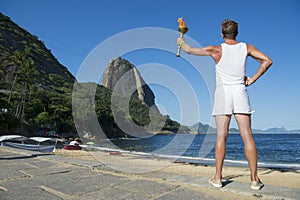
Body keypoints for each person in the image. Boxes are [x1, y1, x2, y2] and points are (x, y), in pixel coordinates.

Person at [177, 19, 272, 190]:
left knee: (221, 135)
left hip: (223, 94)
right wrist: (252, 79)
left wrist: (181, 42)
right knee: (247, 136)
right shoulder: (246, 48)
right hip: (240, 92)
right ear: (236, 33)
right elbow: (267, 61)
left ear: (222, 34)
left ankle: (218, 178)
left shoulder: (216, 49)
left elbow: (190, 50)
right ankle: (254, 180)